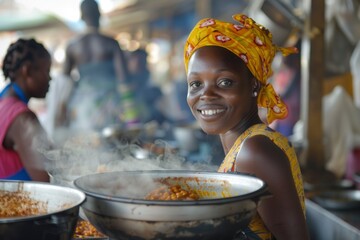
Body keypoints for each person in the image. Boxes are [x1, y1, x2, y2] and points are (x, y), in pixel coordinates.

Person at [184, 14, 309, 240]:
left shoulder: (254, 151)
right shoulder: (245, 145)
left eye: (224, 82)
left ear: (253, 84)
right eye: (196, 84)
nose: (206, 95)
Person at [60, 0, 131, 131]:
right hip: (110, 106)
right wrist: (131, 116)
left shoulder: (72, 46)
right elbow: (124, 80)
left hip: (83, 107)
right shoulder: (111, 43)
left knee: (89, 147)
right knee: (113, 145)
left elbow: (63, 82)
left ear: (81, 17)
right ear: (99, 15)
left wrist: (62, 110)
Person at [0, 38, 52, 182]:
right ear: (27, 70)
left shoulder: (3, 101)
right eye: (46, 71)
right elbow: (47, 182)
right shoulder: (23, 119)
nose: (50, 78)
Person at [126, 49, 166, 125]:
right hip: (132, 117)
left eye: (142, 60)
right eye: (136, 60)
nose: (139, 63)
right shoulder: (126, 79)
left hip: (151, 118)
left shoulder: (147, 74)